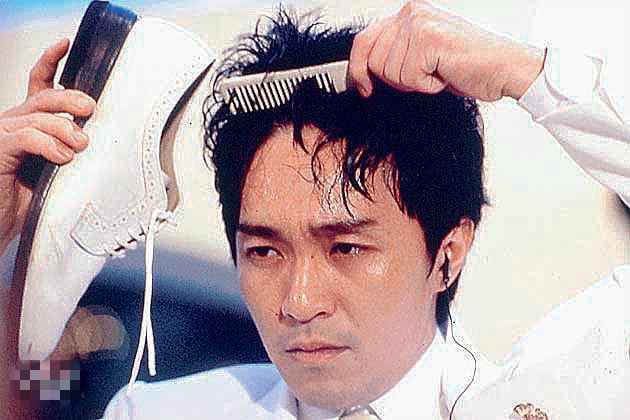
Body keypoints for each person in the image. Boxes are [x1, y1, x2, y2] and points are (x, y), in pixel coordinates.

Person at [0, 1, 628, 419]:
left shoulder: (566, 395)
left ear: (448, 253)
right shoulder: (163, 414)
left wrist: (521, 71)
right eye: (263, 251)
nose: (299, 302)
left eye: (346, 247)